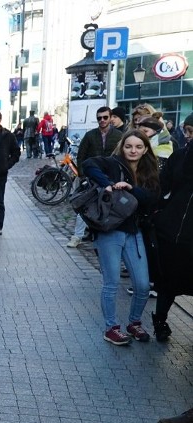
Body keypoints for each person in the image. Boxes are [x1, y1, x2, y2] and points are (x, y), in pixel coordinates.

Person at [82, 130, 160, 345]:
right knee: (112, 282)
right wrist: (106, 182)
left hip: (135, 232)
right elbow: (88, 164)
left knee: (143, 285)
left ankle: (134, 323)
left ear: (145, 149)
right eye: (128, 146)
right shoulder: (113, 163)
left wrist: (131, 188)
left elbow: (152, 200)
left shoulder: (150, 171)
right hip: (110, 229)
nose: (133, 151)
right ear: (122, 147)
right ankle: (111, 327)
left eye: (138, 147)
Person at [148, 113, 193, 343]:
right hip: (173, 230)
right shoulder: (179, 156)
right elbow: (162, 186)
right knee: (168, 282)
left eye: (191, 132)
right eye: (188, 131)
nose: (188, 136)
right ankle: (160, 321)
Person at [68, 107, 124, 248]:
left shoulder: (118, 135)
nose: (102, 120)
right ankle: (77, 236)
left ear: (110, 118)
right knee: (85, 204)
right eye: (99, 118)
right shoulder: (90, 135)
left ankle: (105, 236)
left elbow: (122, 156)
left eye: (105, 117)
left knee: (109, 206)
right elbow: (81, 155)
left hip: (111, 176)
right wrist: (82, 174)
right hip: (92, 176)